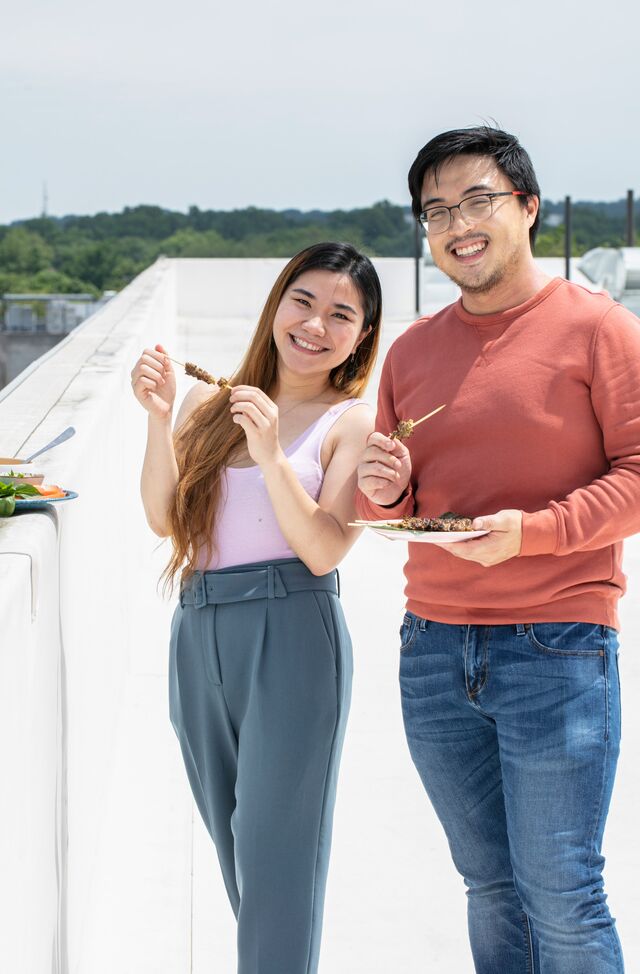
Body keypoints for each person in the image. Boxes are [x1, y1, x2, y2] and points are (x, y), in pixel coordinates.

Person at [356, 126, 639, 973]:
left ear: (528, 207)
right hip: (433, 649)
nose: (456, 224)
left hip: (558, 647)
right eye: (436, 210)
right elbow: (398, 496)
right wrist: (388, 488)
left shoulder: (601, 329)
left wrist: (536, 533)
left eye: (477, 201)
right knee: (490, 889)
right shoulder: (409, 351)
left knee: (562, 892)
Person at [131, 242, 381, 974]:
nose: (315, 325)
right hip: (196, 627)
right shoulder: (209, 402)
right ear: (277, 303)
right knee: (240, 851)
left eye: (342, 314)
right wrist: (155, 418)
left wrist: (272, 454)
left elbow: (325, 549)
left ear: (361, 336)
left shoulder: (350, 423)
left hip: (292, 633)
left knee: (277, 855)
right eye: (303, 301)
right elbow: (164, 520)